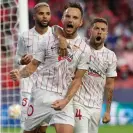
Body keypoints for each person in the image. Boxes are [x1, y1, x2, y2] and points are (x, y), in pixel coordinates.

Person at [10, 2, 90, 133]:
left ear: (80, 22)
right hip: (40, 96)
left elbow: (78, 80)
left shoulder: (84, 50)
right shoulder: (47, 40)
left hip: (63, 99)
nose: (70, 20)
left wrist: (66, 100)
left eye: (75, 18)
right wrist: (20, 74)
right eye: (68, 16)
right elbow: (33, 65)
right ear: (62, 19)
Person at [73, 17, 117, 133]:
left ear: (106, 33)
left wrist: (107, 111)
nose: (99, 32)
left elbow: (110, 85)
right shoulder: (80, 46)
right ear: (90, 31)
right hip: (78, 102)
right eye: (96, 28)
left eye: (103, 29)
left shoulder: (110, 56)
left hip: (96, 106)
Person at [15, 2, 52, 133]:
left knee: (42, 129)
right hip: (28, 88)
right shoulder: (24, 36)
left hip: (47, 89)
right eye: (41, 13)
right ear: (34, 16)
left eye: (47, 14)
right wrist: (21, 60)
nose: (45, 17)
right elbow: (16, 58)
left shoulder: (55, 35)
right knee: (28, 127)